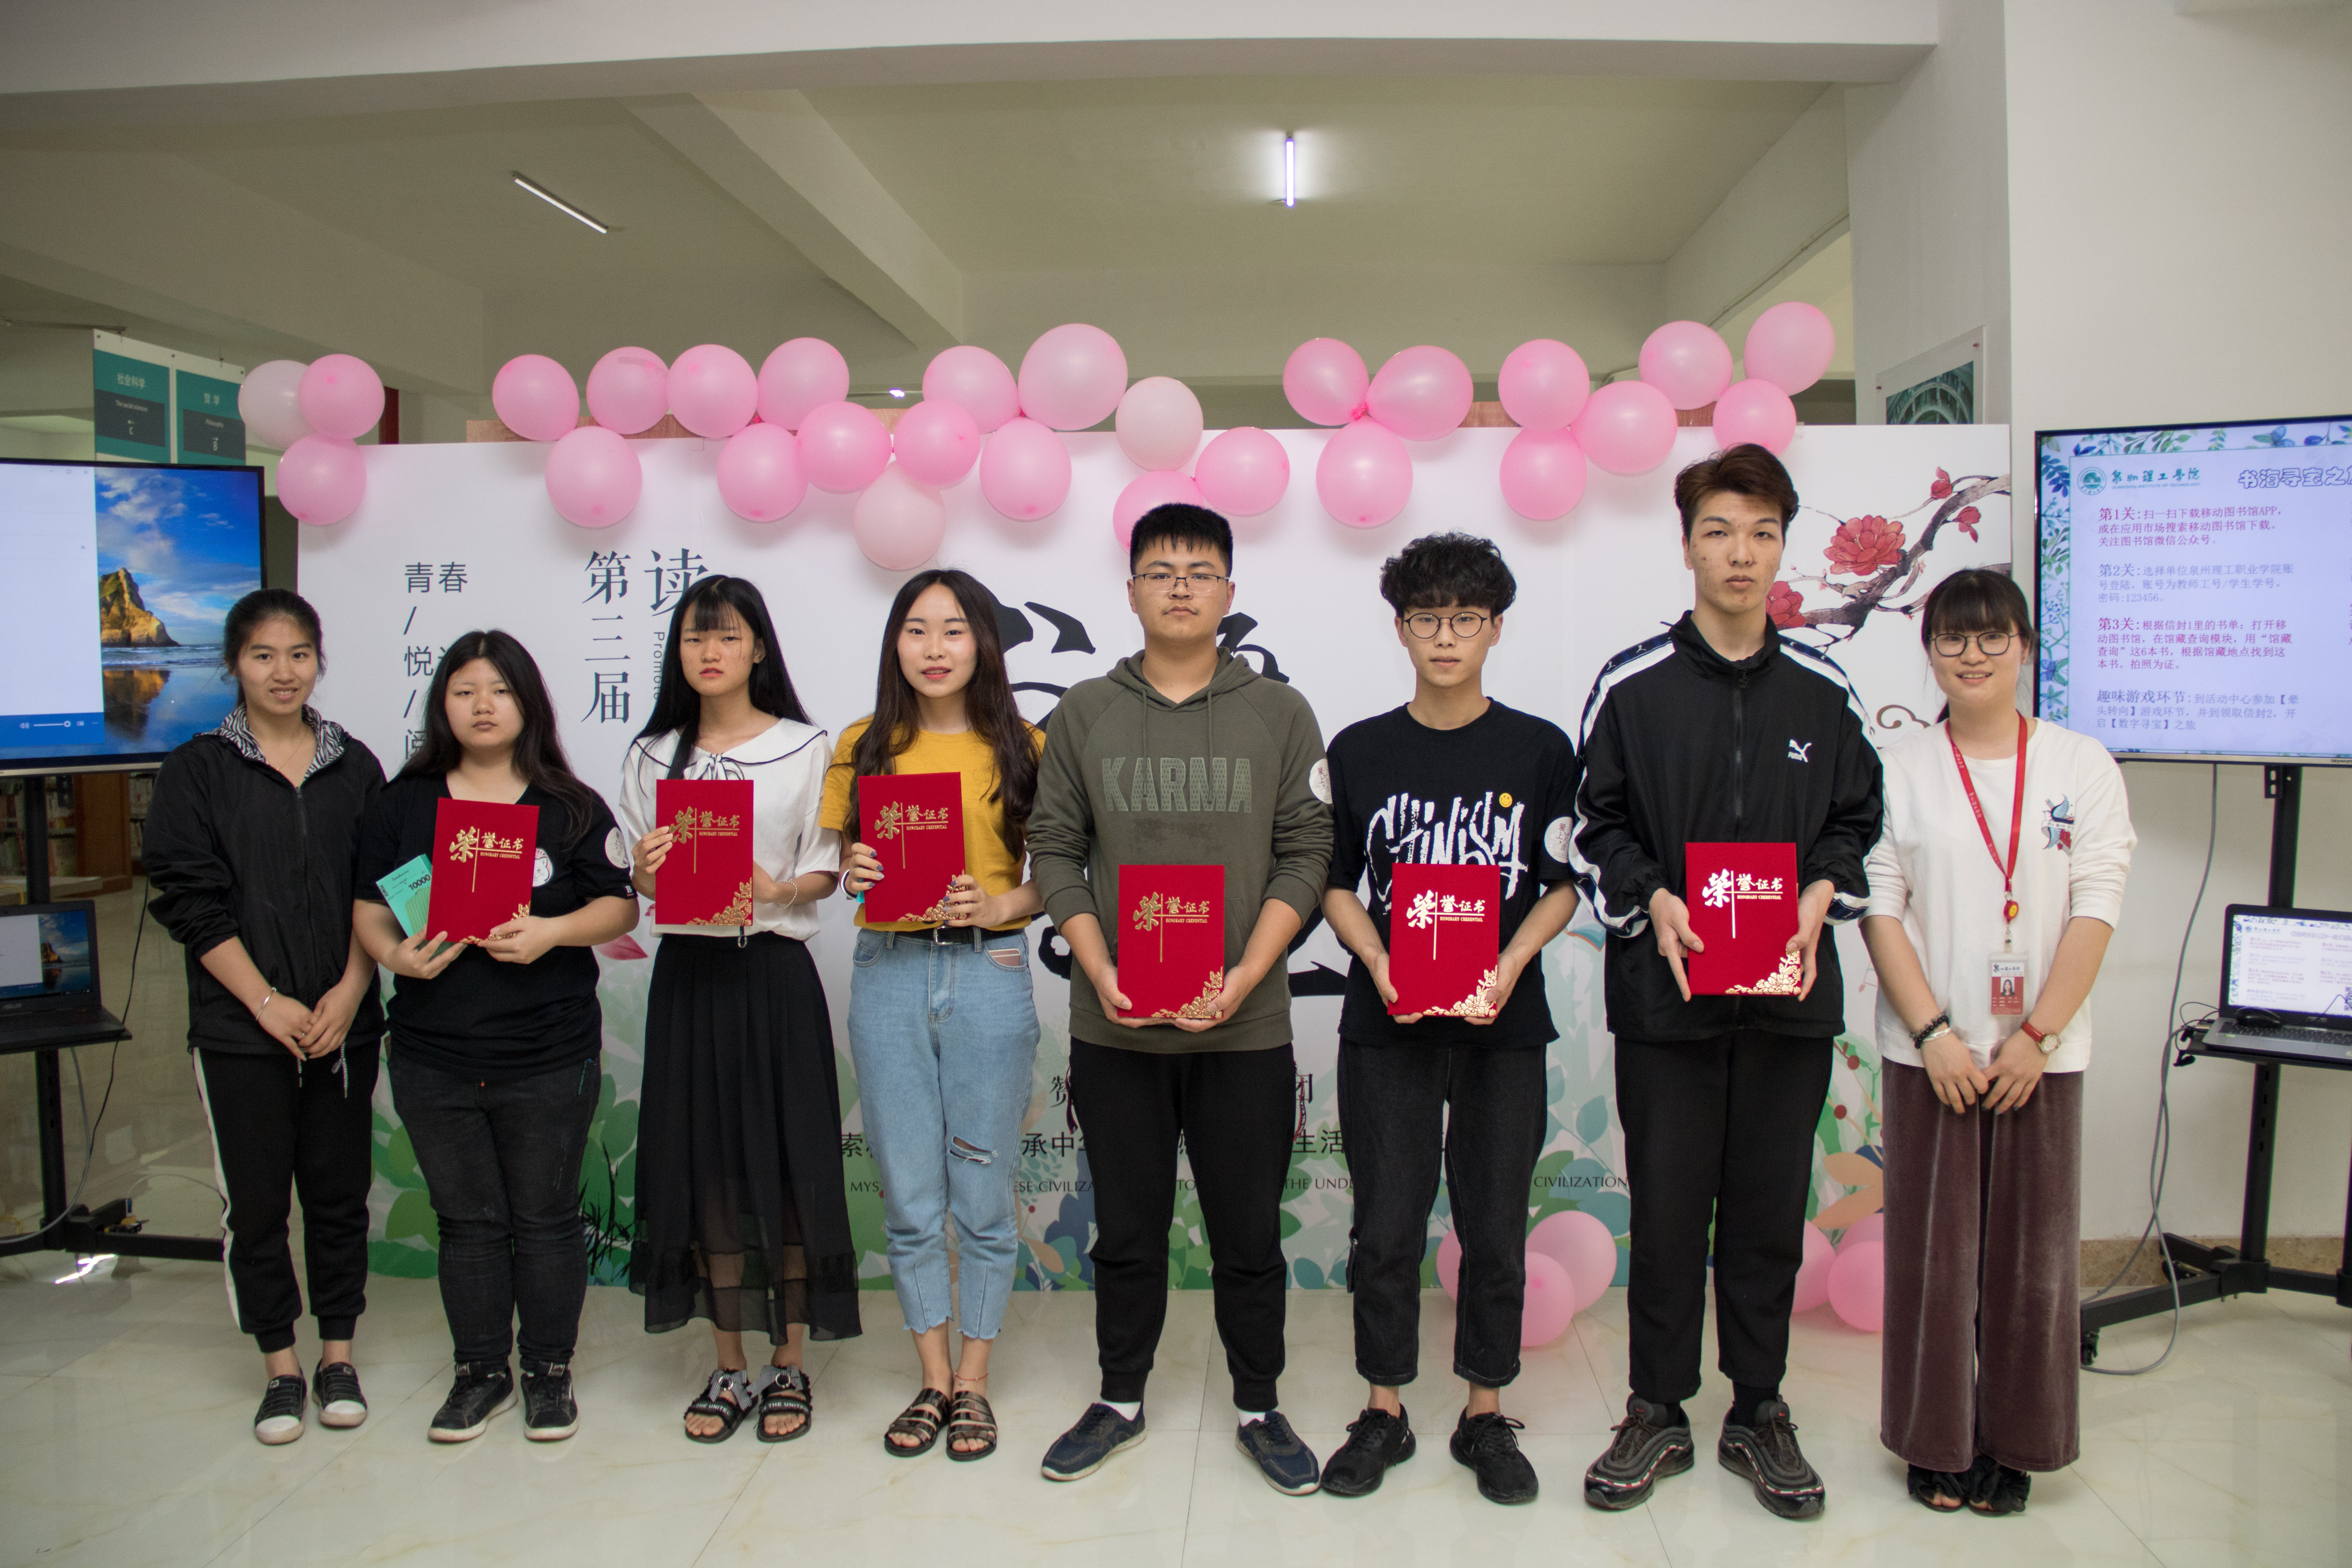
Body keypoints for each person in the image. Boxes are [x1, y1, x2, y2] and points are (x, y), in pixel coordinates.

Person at [1570, 444, 1883, 1519]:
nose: (1740, 553)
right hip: (1669, 997)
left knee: (1766, 1209)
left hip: (1790, 996)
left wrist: (1821, 892)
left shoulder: (1825, 688)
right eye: (1719, 532)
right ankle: (1656, 1406)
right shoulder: (1632, 686)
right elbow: (1591, 825)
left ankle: (1759, 1408)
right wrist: (1652, 895)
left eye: (1761, 533)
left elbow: (1860, 820)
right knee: (1667, 1209)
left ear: (1782, 547)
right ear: (1687, 545)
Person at [1028, 502, 1334, 1495]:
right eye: (1160, 571)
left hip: (1245, 1026)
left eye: (1201, 571)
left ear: (1230, 592)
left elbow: (1307, 851)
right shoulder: (1085, 712)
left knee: (1249, 1230)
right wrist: (1098, 968)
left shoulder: (1279, 713)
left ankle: (1259, 1403)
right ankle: (1119, 1397)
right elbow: (1055, 848)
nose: (1181, 587)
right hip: (1117, 1025)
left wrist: (1248, 972)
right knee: (1126, 1228)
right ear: (1130, 592)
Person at [1314, 534, 1583, 1506]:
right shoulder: (1359, 749)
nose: (1445, 635)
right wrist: (1380, 960)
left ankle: (1485, 1410)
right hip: (1388, 1019)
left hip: (1501, 1022)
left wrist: (1511, 962)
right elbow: (1334, 881)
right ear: (1400, 628)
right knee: (1386, 1223)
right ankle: (1383, 1406)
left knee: (1496, 1225)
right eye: (1426, 617)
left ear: (1496, 628)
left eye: (1466, 617)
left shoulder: (1542, 750)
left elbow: (1563, 882)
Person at [1861, 569, 2132, 1517]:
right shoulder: (1897, 765)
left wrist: (2038, 1034)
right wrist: (1934, 1032)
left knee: (2032, 1263)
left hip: (2040, 1056)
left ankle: (2017, 1440)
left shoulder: (2081, 764)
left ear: (2024, 646)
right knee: (1933, 1260)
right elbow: (1879, 907)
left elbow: (2098, 904)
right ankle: (1935, 1441)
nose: (1971, 654)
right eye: (1952, 637)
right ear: (1930, 650)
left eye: (1991, 636)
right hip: (1929, 1051)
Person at [353, 630, 638, 1444]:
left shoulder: (570, 805)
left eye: (501, 690)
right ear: (441, 704)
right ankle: (480, 1372)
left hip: (548, 1052)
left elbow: (620, 904)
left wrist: (553, 932)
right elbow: (367, 906)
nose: (483, 706)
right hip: (433, 1052)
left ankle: (549, 1371)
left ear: (529, 702)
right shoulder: (403, 804)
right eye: (465, 690)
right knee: (467, 1220)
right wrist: (393, 954)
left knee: (545, 1216)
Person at [617, 575, 856, 1445]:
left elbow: (826, 869)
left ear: (758, 647)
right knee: (702, 1164)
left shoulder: (806, 745)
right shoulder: (653, 753)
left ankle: (789, 1362)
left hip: (775, 974)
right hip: (690, 975)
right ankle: (727, 1364)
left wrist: (775, 888)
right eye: (694, 637)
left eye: (727, 636)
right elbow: (638, 881)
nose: (710, 651)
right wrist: (646, 869)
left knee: (786, 1161)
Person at [146, 589, 386, 1446]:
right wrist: (265, 1001)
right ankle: (281, 1365)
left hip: (343, 1024)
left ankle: (338, 1355)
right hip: (240, 1029)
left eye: (299, 654)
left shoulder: (356, 766)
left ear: (319, 660)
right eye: (263, 655)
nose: (283, 672)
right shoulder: (197, 770)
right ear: (233, 665)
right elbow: (191, 903)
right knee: (255, 1206)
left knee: (338, 1195)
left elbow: (380, 891)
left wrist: (351, 991)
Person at [823, 569, 1044, 1462]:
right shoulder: (864, 744)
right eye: (917, 630)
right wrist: (855, 871)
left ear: (984, 643)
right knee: (912, 1195)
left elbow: (1055, 877)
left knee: (982, 1194)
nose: (935, 648)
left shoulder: (1027, 744)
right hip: (889, 970)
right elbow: (843, 867)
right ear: (895, 644)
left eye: (955, 630)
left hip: (990, 969)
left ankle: (976, 1381)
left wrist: (999, 904)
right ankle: (933, 1378)